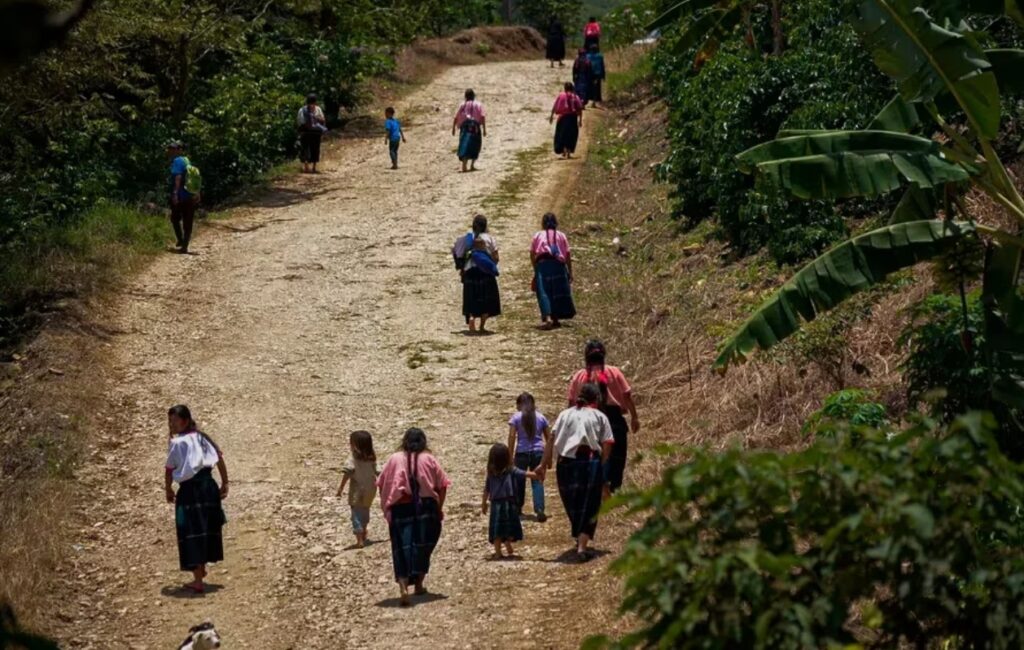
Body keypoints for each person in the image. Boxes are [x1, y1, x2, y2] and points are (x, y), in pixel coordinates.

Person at [376, 428, 451, 607]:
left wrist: (387, 505)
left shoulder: (394, 459)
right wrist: (438, 508)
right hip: (426, 508)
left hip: (400, 508)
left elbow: (382, 483)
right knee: (424, 546)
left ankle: (403, 587)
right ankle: (418, 584)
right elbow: (442, 485)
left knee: (401, 548)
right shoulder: (429, 459)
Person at [539, 383, 613, 561]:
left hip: (565, 465)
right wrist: (601, 463)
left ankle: (579, 539)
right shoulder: (599, 416)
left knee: (573, 502)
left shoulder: (565, 414)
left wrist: (543, 464)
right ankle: (582, 545)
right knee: (590, 505)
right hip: (589, 461)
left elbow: (551, 438)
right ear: (596, 399)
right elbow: (608, 443)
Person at [164, 405, 229, 593]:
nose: (172, 424)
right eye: (170, 421)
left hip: (190, 492)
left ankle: (198, 578)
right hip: (208, 487)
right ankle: (200, 570)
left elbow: (169, 469)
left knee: (190, 532)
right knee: (205, 529)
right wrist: (225, 482)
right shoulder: (202, 437)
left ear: (184, 421)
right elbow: (219, 458)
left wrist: (168, 489)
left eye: (174, 421)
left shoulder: (177, 443)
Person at [566, 340, 640, 493]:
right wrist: (634, 417)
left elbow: (571, 402)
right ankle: (613, 489)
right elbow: (627, 396)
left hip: (585, 420)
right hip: (614, 419)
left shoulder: (580, 376)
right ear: (603, 355)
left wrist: (570, 424)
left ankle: (594, 487)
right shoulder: (614, 372)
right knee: (617, 456)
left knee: (591, 455)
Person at [482, 443, 536, 559]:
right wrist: (536, 475)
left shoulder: (492, 472)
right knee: (507, 526)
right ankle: (503, 547)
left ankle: (500, 550)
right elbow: (524, 474)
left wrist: (484, 504)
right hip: (508, 503)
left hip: (496, 505)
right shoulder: (510, 470)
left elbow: (486, 489)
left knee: (497, 529)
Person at [451, 214, 501, 333]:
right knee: (488, 299)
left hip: (470, 272)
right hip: (485, 273)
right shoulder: (490, 238)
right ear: (485, 226)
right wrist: (489, 263)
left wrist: (462, 267)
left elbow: (455, 251)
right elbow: (496, 257)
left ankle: (472, 317)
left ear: (473, 226)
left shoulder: (466, 239)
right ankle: (482, 326)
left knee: (472, 298)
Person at [507, 392, 551, 522]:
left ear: (520, 405)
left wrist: (510, 456)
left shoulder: (516, 417)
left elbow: (511, 437)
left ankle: (517, 508)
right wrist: (548, 458)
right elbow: (549, 439)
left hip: (521, 452)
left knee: (519, 480)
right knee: (538, 480)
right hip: (538, 452)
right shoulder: (541, 417)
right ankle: (539, 509)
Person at [530, 212, 576, 328]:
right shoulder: (561, 235)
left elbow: (532, 253)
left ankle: (548, 318)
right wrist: (570, 272)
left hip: (543, 265)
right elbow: (567, 255)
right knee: (557, 291)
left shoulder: (538, 235)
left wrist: (536, 268)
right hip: (558, 266)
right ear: (555, 223)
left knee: (544, 291)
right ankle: (556, 318)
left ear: (543, 223)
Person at [335, 430, 379, 548]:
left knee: (355, 513)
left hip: (357, 490)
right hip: (371, 489)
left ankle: (359, 539)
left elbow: (347, 473)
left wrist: (340, 488)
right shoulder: (371, 457)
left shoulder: (353, 458)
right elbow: (378, 471)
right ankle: (364, 531)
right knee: (365, 509)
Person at [166, 140, 197, 254]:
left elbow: (178, 177)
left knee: (175, 218)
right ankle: (184, 245)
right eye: (170, 148)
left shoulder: (177, 161)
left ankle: (180, 240)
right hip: (190, 194)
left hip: (181, 196)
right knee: (188, 221)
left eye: (174, 149)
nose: (171, 151)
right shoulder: (187, 160)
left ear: (180, 150)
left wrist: (175, 193)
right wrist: (196, 192)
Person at [452, 89, 487, 173]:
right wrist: (484, 129)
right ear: (474, 96)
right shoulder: (478, 104)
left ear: (465, 97)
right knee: (476, 144)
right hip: (475, 127)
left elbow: (456, 117)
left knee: (464, 143)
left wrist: (453, 128)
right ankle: (472, 165)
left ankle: (464, 162)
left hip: (465, 127)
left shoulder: (462, 105)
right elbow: (482, 116)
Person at [550, 82, 584, 160]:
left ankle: (563, 151)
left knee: (562, 134)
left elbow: (555, 106)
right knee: (571, 135)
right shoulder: (575, 97)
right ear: (572, 88)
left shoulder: (561, 95)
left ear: (565, 88)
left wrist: (551, 116)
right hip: (572, 118)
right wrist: (580, 120)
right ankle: (568, 152)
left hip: (563, 118)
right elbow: (580, 109)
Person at [297, 93, 327, 174]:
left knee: (305, 148)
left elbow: (300, 122)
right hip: (316, 132)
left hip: (305, 132)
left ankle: (306, 164)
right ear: (315, 101)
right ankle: (314, 167)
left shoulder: (302, 110)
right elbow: (323, 119)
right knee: (315, 148)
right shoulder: (318, 109)